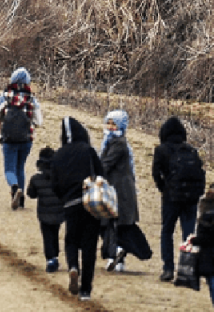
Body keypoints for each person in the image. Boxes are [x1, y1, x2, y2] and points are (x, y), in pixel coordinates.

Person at [50, 117, 105, 302]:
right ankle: (86, 290)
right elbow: (101, 174)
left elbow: (54, 185)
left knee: (71, 240)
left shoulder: (58, 155)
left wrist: (64, 198)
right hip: (91, 202)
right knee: (90, 246)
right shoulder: (88, 151)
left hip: (70, 204)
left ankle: (73, 267)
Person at [153, 115, 204, 282]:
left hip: (171, 197)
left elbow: (156, 174)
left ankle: (168, 268)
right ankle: (187, 270)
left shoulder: (161, 150)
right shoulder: (191, 150)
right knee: (188, 233)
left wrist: (164, 189)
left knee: (167, 231)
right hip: (191, 199)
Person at [100, 109, 148, 273]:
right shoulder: (114, 142)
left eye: (113, 123)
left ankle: (114, 255)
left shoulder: (117, 143)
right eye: (108, 122)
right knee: (119, 225)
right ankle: (118, 257)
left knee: (113, 224)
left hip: (118, 191)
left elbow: (106, 164)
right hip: (120, 190)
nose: (110, 126)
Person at [0, 67, 43, 210]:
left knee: (9, 168)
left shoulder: (6, 96)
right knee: (20, 167)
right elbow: (39, 121)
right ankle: (21, 200)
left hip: (8, 137)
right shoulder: (32, 99)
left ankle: (14, 188)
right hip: (26, 138)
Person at [27, 146, 65, 273]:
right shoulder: (61, 177)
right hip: (59, 211)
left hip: (44, 212)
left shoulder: (36, 179)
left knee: (47, 236)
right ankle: (55, 256)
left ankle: (50, 259)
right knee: (55, 233)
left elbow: (31, 194)